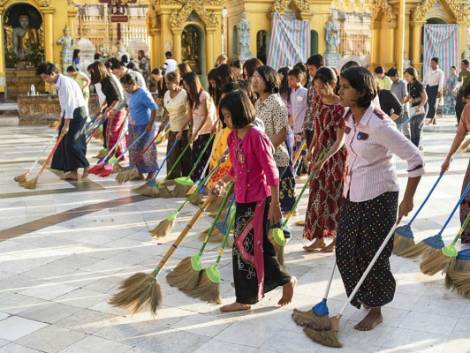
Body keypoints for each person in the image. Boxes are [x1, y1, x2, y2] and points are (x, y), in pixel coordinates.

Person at [336, 66, 423, 331]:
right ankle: (363, 296)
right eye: (340, 85)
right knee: (344, 251)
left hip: (380, 196)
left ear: (361, 91)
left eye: (345, 87)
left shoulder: (379, 124)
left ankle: (376, 309)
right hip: (353, 193)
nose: (339, 91)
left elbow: (415, 160)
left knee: (372, 254)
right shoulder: (349, 118)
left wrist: (407, 200)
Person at [212, 89, 295, 312]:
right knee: (248, 248)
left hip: (260, 202)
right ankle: (266, 289)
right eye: (224, 116)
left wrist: (275, 205)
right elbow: (235, 169)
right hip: (242, 199)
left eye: (229, 115)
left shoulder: (257, 137)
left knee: (246, 247)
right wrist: (223, 182)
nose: (226, 120)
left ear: (241, 112)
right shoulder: (232, 137)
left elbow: (272, 173)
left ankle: (251, 296)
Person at [303, 67, 347, 252]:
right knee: (316, 196)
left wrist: (324, 160)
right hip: (320, 153)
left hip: (335, 158)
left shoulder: (341, 107)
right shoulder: (318, 101)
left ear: (333, 84)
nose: (319, 90)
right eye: (316, 87)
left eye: (322, 86)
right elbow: (317, 129)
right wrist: (311, 150)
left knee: (334, 197)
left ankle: (337, 238)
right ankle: (318, 237)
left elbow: (340, 140)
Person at [252, 66, 295, 214]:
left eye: (259, 78)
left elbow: (282, 133)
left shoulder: (276, 103)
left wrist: (266, 151)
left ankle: (279, 231)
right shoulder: (258, 103)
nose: (254, 81)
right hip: (261, 157)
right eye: (253, 77)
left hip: (275, 158)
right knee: (264, 200)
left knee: (271, 201)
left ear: (269, 80)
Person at [37, 63, 89, 180]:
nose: (45, 80)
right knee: (64, 142)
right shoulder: (59, 83)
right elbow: (64, 106)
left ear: (53, 74)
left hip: (77, 113)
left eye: (46, 77)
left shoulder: (65, 83)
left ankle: (85, 165)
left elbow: (70, 105)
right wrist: (61, 121)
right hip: (70, 113)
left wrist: (66, 125)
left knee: (72, 143)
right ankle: (73, 171)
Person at [441, 84, 470, 247]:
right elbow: (460, 134)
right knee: (467, 195)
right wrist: (448, 158)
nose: (467, 102)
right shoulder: (467, 110)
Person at [120, 73, 158, 180]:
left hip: (144, 126)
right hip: (133, 126)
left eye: (127, 86)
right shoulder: (130, 94)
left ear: (133, 83)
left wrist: (150, 124)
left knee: (146, 149)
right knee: (134, 150)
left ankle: (151, 173)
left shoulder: (143, 93)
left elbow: (154, 108)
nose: (125, 89)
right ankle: (138, 172)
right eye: (124, 87)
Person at [181, 72, 218, 181]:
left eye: (186, 84)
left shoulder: (204, 95)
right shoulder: (191, 97)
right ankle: (197, 182)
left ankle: (205, 182)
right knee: (196, 159)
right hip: (197, 132)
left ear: (192, 84)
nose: (185, 87)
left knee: (204, 160)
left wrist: (197, 131)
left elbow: (207, 116)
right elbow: (190, 116)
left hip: (206, 132)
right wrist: (185, 129)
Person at [88, 61, 127, 157]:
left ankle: (116, 157)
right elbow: (108, 97)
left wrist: (108, 110)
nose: (92, 75)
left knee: (112, 134)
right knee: (108, 134)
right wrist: (102, 108)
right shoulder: (103, 81)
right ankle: (112, 156)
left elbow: (117, 98)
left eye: (92, 72)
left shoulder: (109, 80)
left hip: (118, 110)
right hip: (111, 109)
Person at [163, 71, 192, 179]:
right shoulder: (166, 94)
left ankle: (186, 178)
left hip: (183, 130)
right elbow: (167, 111)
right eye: (166, 83)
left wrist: (182, 130)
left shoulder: (184, 94)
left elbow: (189, 114)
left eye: (170, 83)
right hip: (172, 129)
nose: (168, 86)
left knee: (185, 157)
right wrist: (163, 123)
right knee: (172, 156)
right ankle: (172, 178)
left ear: (177, 82)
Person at [287, 68, 308, 171]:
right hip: (295, 129)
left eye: (291, 79)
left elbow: (308, 111)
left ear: (299, 79)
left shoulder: (305, 92)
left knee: (300, 152)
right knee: (298, 151)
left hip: (302, 128)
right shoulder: (292, 94)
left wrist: (305, 126)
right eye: (288, 80)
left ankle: (302, 170)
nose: (289, 82)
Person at [304, 54, 324, 151]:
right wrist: (305, 124)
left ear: (320, 68)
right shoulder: (310, 85)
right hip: (309, 125)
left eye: (311, 69)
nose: (309, 72)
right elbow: (309, 105)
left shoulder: (325, 86)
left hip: (319, 126)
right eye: (308, 69)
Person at [404, 67, 428, 148]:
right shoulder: (408, 85)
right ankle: (414, 147)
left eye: (407, 76)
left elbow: (425, 97)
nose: (406, 78)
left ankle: (416, 148)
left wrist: (420, 106)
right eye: (405, 76)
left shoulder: (419, 84)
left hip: (421, 108)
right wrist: (404, 101)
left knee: (417, 129)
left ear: (413, 75)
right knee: (412, 129)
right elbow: (409, 96)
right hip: (413, 109)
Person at [386, 67, 409, 138]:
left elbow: (405, 97)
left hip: (403, 110)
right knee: (397, 130)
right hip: (395, 111)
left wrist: (399, 105)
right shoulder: (392, 85)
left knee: (406, 130)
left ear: (396, 75)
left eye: (391, 77)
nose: (390, 78)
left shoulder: (403, 83)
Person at [423, 57, 444, 125]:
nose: (431, 64)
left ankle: (431, 119)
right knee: (427, 103)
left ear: (437, 63)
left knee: (433, 104)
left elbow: (441, 83)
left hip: (435, 89)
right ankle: (433, 119)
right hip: (428, 88)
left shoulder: (440, 72)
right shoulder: (428, 71)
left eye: (433, 63)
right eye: (431, 63)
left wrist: (439, 91)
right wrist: (422, 87)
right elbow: (425, 80)